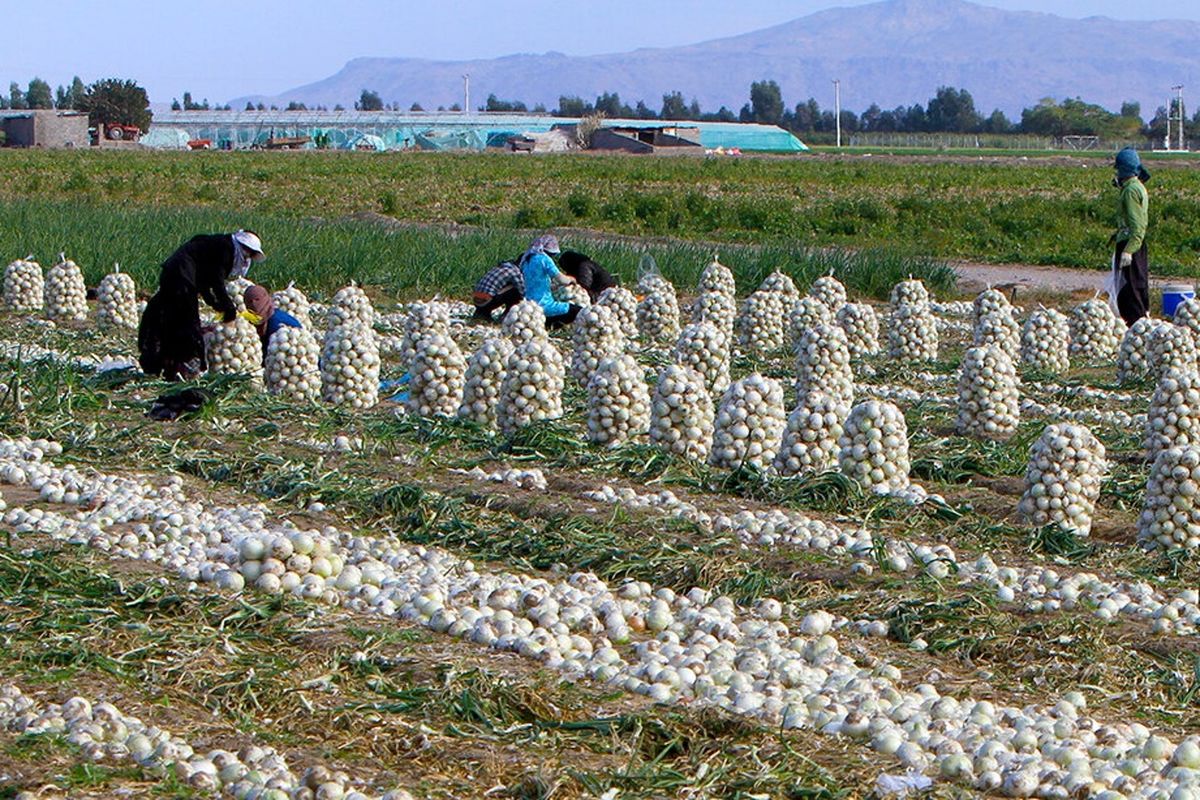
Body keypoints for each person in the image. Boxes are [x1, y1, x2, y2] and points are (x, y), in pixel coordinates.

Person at [138, 230, 266, 380]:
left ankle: (162, 364)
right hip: (181, 278)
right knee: (186, 323)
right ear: (243, 246)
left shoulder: (216, 245)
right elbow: (216, 281)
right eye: (249, 253)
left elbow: (204, 280)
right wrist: (228, 307)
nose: (247, 257)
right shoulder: (225, 249)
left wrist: (213, 302)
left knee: (168, 318)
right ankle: (180, 368)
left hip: (174, 274)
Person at [1110, 147, 1151, 326]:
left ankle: (1136, 327)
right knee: (1138, 286)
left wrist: (1128, 251)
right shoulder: (1136, 187)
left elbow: (1137, 225)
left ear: (1124, 170)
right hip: (1136, 244)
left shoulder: (1130, 192)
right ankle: (1141, 322)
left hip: (1131, 245)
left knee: (1130, 290)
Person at [519, 233, 581, 329]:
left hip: (529, 306)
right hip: (543, 305)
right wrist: (571, 279)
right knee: (577, 311)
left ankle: (546, 325)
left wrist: (554, 287)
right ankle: (550, 325)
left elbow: (535, 284)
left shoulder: (527, 260)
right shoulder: (544, 259)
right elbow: (562, 279)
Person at [243, 285, 301, 359]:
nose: (254, 304)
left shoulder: (276, 323)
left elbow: (276, 352)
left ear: (265, 298)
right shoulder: (264, 317)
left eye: (257, 299)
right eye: (249, 302)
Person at [472, 257, 524, 321]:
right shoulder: (515, 271)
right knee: (515, 290)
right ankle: (507, 315)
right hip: (487, 302)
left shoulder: (500, 267)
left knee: (498, 287)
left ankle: (481, 313)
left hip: (476, 300)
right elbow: (522, 291)